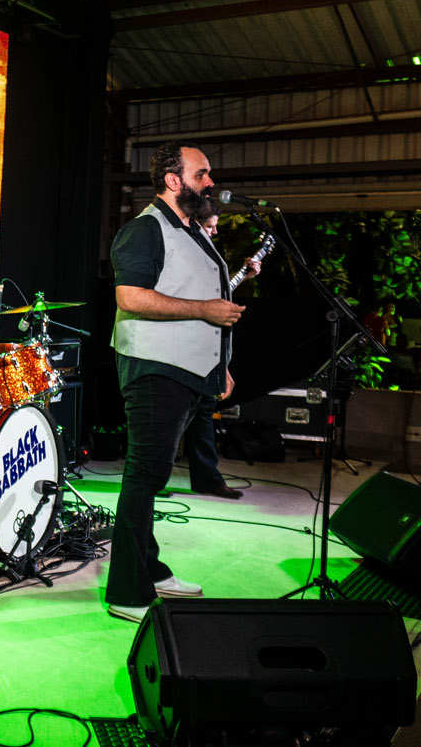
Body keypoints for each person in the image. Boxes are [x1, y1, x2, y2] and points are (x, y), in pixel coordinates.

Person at [106, 140, 243, 624]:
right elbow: (130, 297)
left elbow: (197, 295)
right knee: (144, 477)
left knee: (154, 477)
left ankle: (152, 569)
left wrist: (218, 364)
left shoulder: (189, 230)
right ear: (172, 179)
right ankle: (127, 592)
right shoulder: (145, 229)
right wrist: (206, 311)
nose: (210, 182)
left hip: (184, 370)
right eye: (201, 174)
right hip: (153, 369)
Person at [180, 210, 260, 500]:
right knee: (173, 418)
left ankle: (207, 480)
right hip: (183, 348)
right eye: (210, 226)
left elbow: (216, 301)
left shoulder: (210, 256)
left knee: (203, 414)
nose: (215, 232)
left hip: (205, 350)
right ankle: (151, 478)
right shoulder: (186, 254)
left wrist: (244, 275)